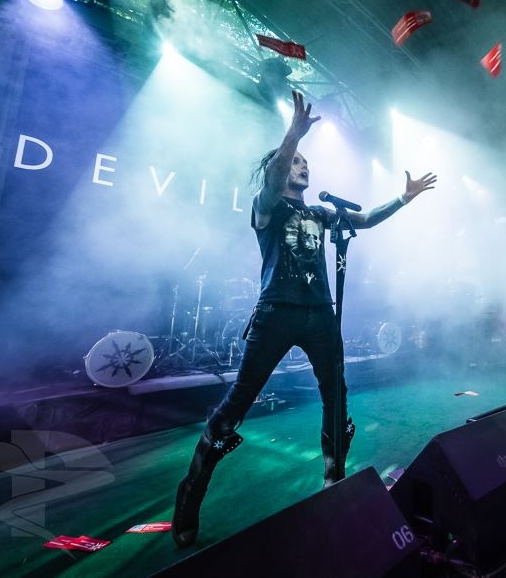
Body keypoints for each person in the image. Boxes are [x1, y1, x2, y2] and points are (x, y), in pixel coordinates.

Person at [172, 91, 437, 548]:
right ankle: (190, 493)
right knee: (237, 403)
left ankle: (334, 476)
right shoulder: (267, 207)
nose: (303, 166)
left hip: (319, 315)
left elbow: (365, 218)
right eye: (296, 162)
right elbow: (273, 178)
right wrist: (292, 136)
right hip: (275, 312)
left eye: (305, 163)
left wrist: (403, 198)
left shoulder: (318, 212)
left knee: (336, 396)